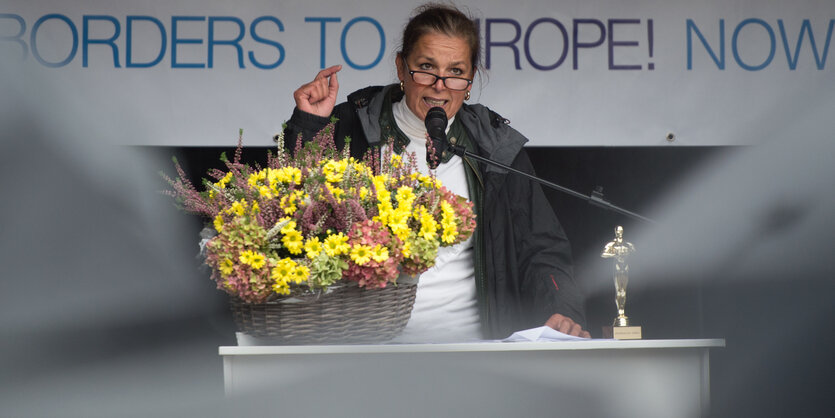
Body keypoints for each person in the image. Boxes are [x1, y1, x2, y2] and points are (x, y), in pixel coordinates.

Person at [283, 3, 589, 340]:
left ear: (471, 79)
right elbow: (287, 220)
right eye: (426, 67)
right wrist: (310, 126)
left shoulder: (495, 149)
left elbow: (542, 248)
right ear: (401, 68)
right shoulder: (352, 130)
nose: (440, 85)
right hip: (366, 356)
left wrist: (563, 310)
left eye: (456, 72)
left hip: (473, 354)